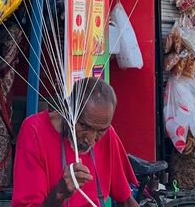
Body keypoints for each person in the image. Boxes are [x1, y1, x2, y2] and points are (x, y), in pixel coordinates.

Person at [12, 77, 138, 207]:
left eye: (100, 131)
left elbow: (126, 199)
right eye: (84, 126)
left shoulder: (108, 134)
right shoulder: (35, 131)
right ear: (67, 110)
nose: (90, 139)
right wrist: (59, 193)